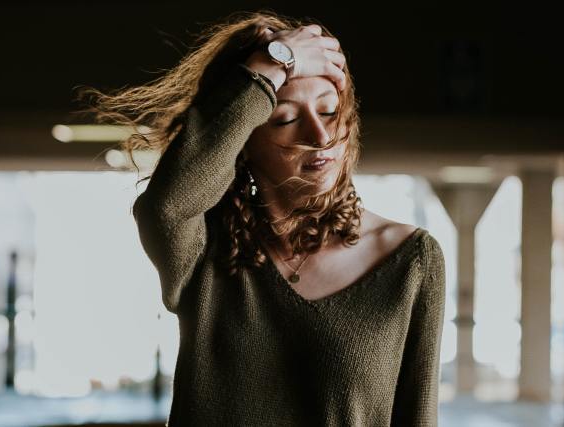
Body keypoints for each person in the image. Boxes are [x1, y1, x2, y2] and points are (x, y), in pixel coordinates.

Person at [82, 11, 446, 426]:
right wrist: (273, 64)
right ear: (243, 138)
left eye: (329, 112)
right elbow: (166, 205)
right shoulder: (204, 252)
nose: (319, 136)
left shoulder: (410, 260)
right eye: (286, 118)